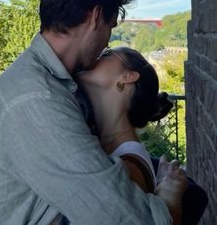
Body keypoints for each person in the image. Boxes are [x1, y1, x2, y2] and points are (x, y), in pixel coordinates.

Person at [0, 0, 187, 225]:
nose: (106, 43)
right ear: (95, 17)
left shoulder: (43, 82)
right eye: (110, 27)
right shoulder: (39, 99)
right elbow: (127, 218)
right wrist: (169, 200)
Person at [74, 46, 208, 225]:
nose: (96, 57)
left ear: (127, 77)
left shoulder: (129, 166)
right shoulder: (116, 150)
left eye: (106, 54)